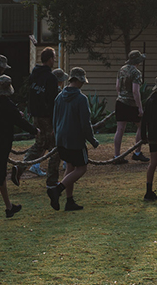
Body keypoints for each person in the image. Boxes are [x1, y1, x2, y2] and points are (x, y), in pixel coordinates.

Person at [0, 75, 38, 224]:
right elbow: (19, 121)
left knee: (0, 174)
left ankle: (9, 207)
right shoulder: (8, 105)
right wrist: (35, 131)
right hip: (1, 145)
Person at [49, 67, 99, 211]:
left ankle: (69, 201)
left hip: (61, 139)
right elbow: (85, 123)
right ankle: (57, 190)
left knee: (70, 166)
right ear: (78, 80)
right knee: (81, 168)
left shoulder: (59, 97)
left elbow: (55, 119)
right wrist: (92, 140)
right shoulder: (81, 99)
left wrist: (57, 135)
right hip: (75, 139)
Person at [12, 48, 62, 187]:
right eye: (53, 57)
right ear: (50, 59)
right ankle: (52, 180)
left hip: (36, 115)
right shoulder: (51, 78)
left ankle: (20, 167)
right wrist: (54, 122)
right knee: (55, 148)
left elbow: (32, 94)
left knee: (39, 145)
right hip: (47, 117)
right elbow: (52, 101)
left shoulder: (34, 75)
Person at [113, 50, 149, 164]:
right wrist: (140, 107)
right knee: (141, 126)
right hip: (131, 103)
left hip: (120, 102)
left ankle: (117, 155)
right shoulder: (136, 72)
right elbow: (135, 91)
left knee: (120, 129)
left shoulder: (121, 70)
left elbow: (117, 86)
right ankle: (137, 152)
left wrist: (120, 96)